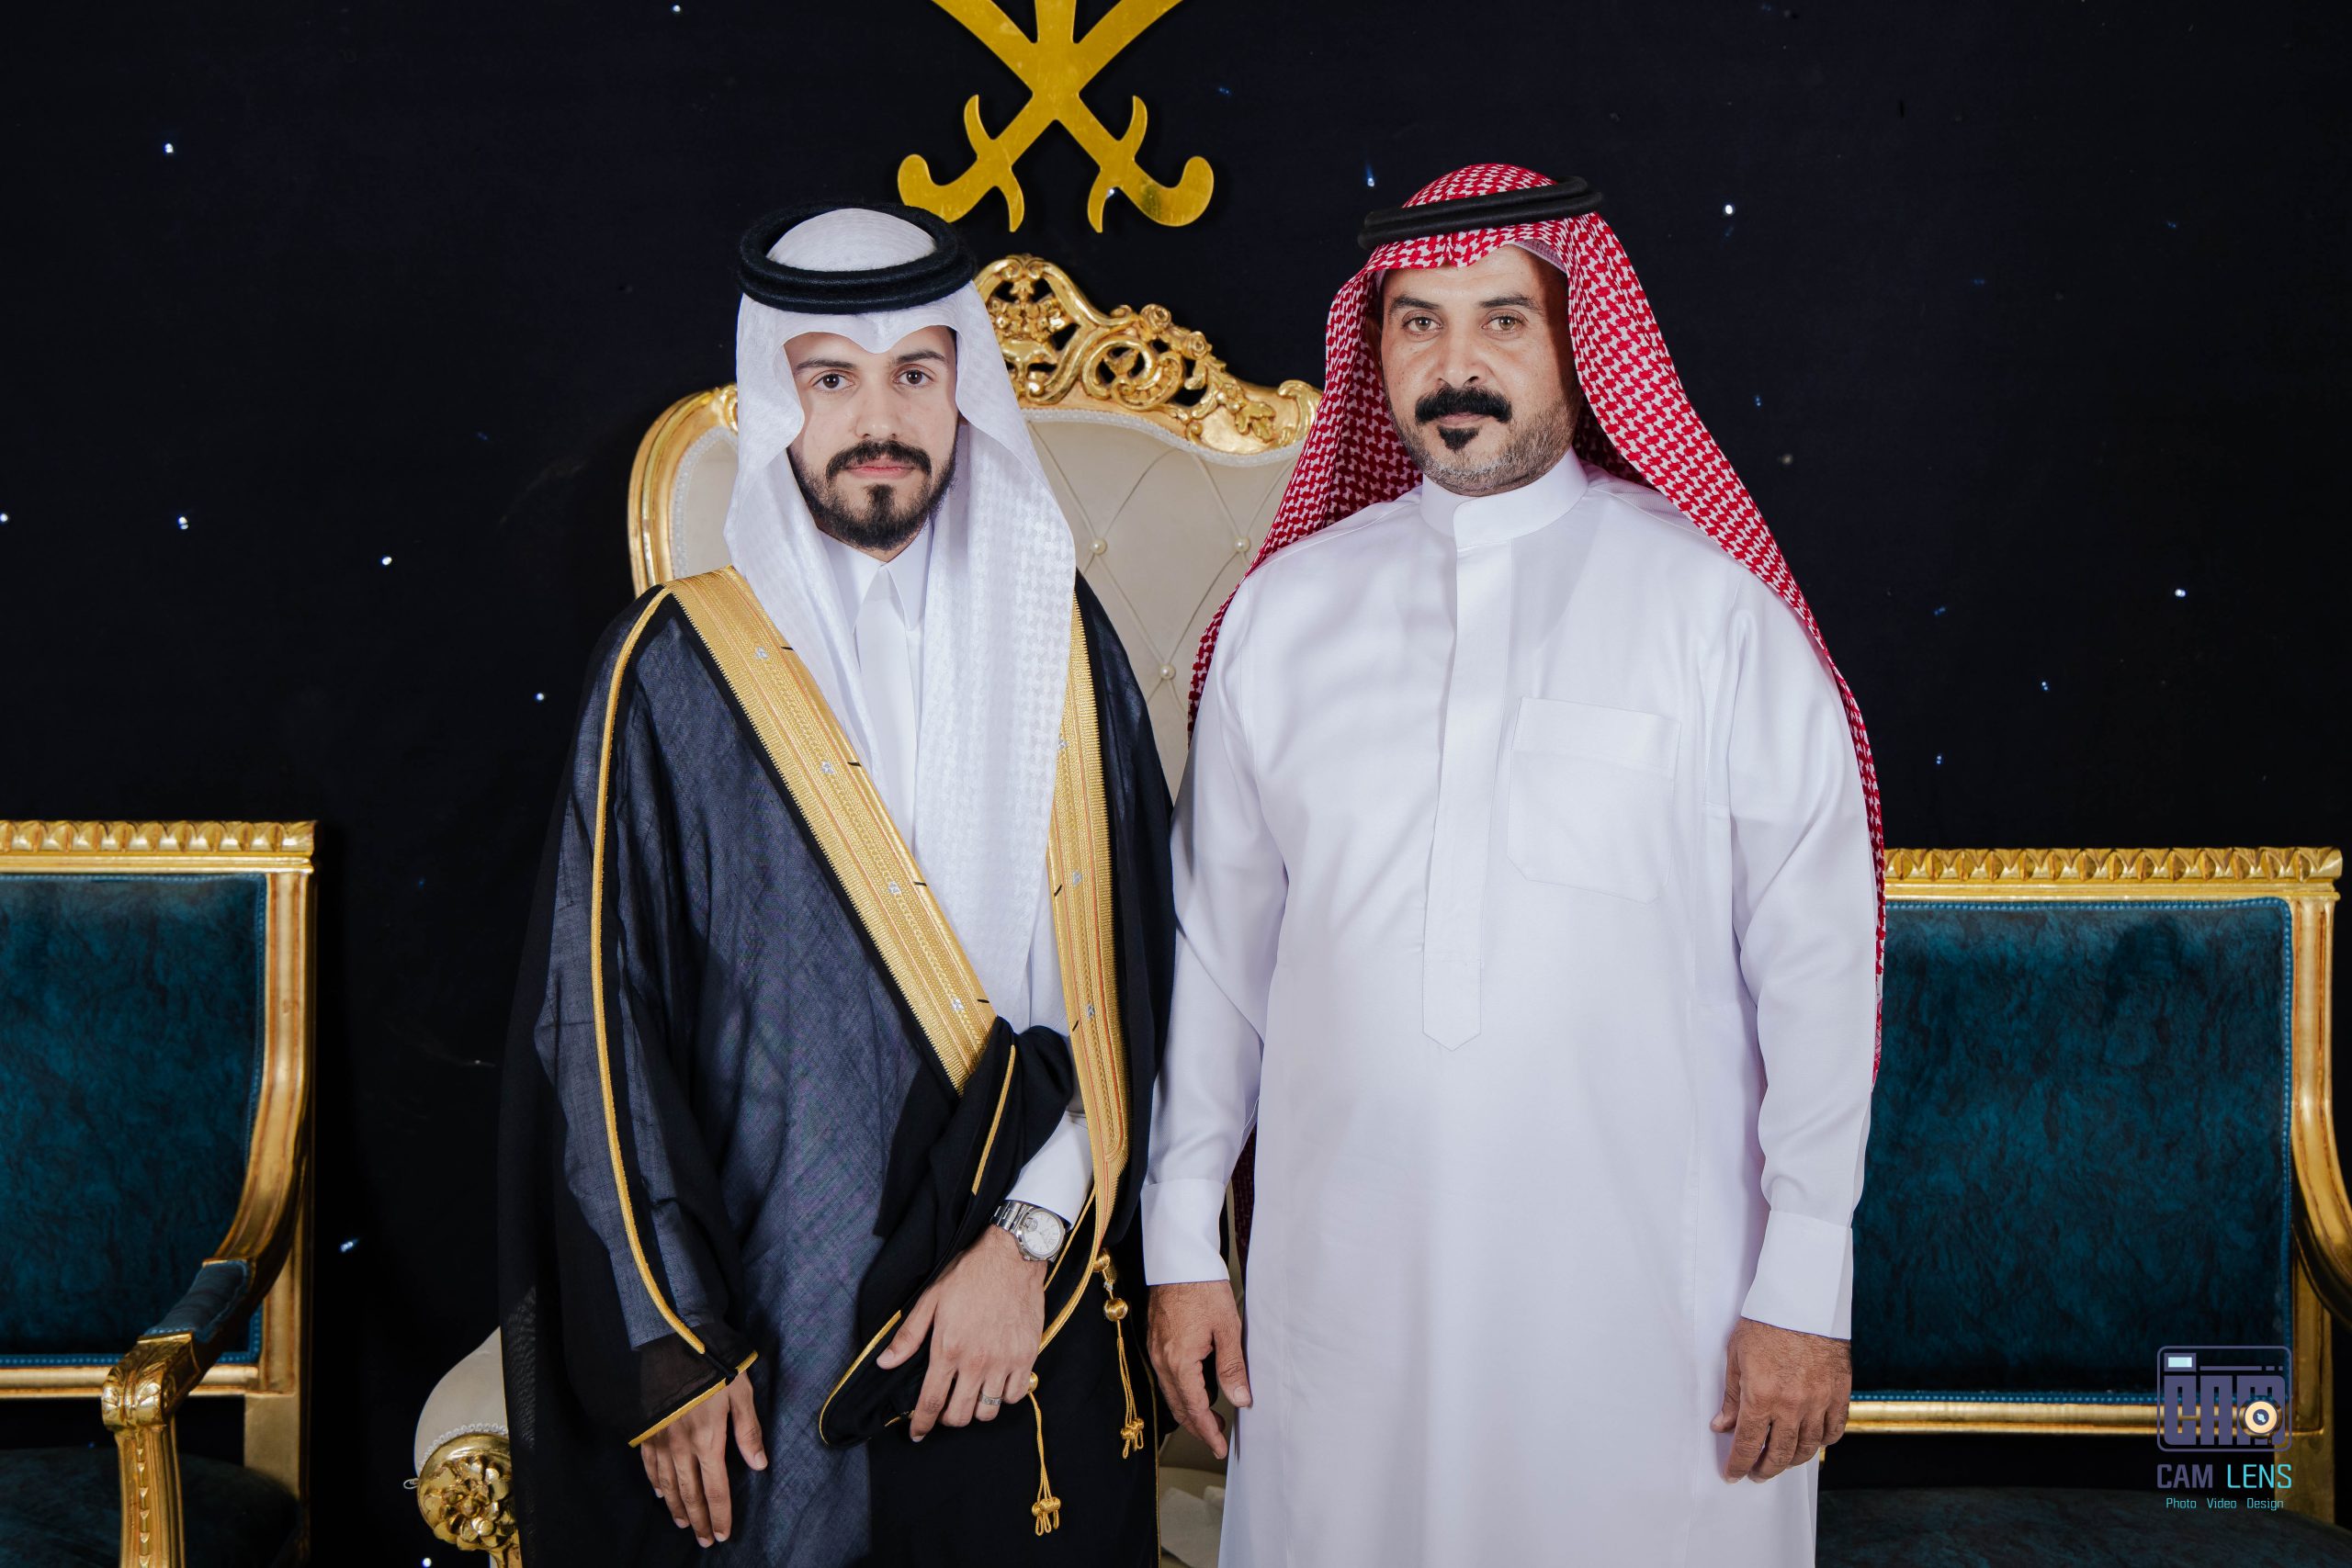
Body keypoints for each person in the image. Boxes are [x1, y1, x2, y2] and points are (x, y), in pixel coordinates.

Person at [1142, 164, 1883, 1567]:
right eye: (1417, 323)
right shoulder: (1285, 618)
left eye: (1502, 319)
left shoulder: (1712, 612)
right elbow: (1219, 963)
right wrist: (1182, 1239)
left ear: (1578, 340)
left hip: (1653, 1317)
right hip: (1345, 1300)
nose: (1456, 364)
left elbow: (1819, 970)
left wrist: (1805, 1279)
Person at [497, 203, 1170, 1567]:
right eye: (831, 379)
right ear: (777, 398)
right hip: (774, 1309)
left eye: (916, 373)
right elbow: (597, 1025)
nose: (880, 420)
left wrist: (1026, 1240)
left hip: (1034, 1291)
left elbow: (1138, 987)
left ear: (962, 387)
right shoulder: (671, 671)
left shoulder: (1061, 641)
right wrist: (674, 1343)